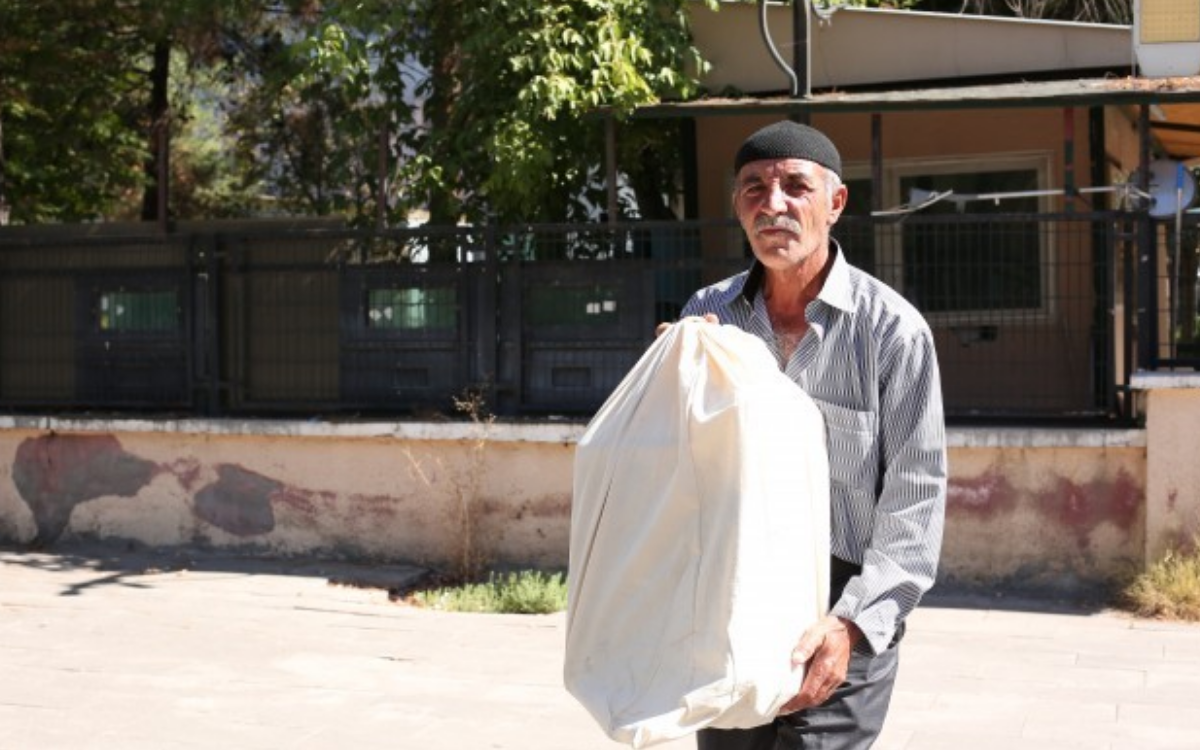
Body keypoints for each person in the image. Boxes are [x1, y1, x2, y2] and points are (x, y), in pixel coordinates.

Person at [665, 120, 947, 749]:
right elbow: (676, 465)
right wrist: (670, 374)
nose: (774, 204)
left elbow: (915, 496)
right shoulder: (707, 317)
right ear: (737, 206)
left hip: (844, 603)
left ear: (836, 203)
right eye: (754, 189)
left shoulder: (892, 332)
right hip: (733, 599)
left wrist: (849, 628)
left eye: (796, 186)